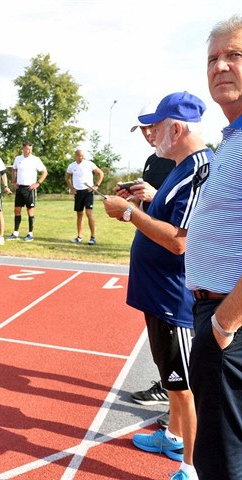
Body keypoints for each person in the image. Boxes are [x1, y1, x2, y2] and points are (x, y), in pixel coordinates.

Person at [103, 91, 213, 480]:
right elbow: (170, 221)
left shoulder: (200, 168)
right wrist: (147, 201)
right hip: (159, 293)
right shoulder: (182, 166)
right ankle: (172, 436)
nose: (151, 136)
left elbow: (179, 240)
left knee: (185, 388)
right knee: (172, 377)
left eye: (157, 128)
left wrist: (130, 212)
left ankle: (191, 467)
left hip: (173, 296)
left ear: (177, 128)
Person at [186, 15, 242, 480]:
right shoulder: (231, 140)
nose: (220, 66)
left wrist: (225, 323)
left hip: (230, 320)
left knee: (221, 459)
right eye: (212, 59)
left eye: (234, 55)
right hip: (218, 313)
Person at [126, 107, 176, 428]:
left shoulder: (185, 162)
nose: (146, 133)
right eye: (141, 129)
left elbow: (185, 213)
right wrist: (133, 200)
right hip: (150, 262)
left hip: (172, 267)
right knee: (159, 337)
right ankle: (168, 386)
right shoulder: (152, 160)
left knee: (175, 339)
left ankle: (180, 417)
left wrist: (153, 197)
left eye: (150, 127)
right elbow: (152, 209)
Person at [7, 141, 47, 242]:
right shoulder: (18, 158)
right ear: (23, 149)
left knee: (30, 211)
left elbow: (44, 172)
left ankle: (30, 234)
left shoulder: (35, 160)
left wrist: (37, 183)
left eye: (30, 149)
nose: (29, 151)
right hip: (20, 188)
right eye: (27, 149)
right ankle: (15, 233)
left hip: (30, 189)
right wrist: (13, 181)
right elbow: (14, 169)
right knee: (17, 210)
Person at [65, 148, 104, 245]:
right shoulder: (72, 166)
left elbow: (100, 173)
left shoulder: (89, 164)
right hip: (78, 192)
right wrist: (71, 188)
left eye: (83, 155)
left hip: (88, 191)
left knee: (89, 213)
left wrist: (96, 185)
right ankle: (79, 237)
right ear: (76, 156)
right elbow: (67, 178)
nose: (82, 157)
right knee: (79, 214)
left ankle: (93, 237)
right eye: (80, 155)